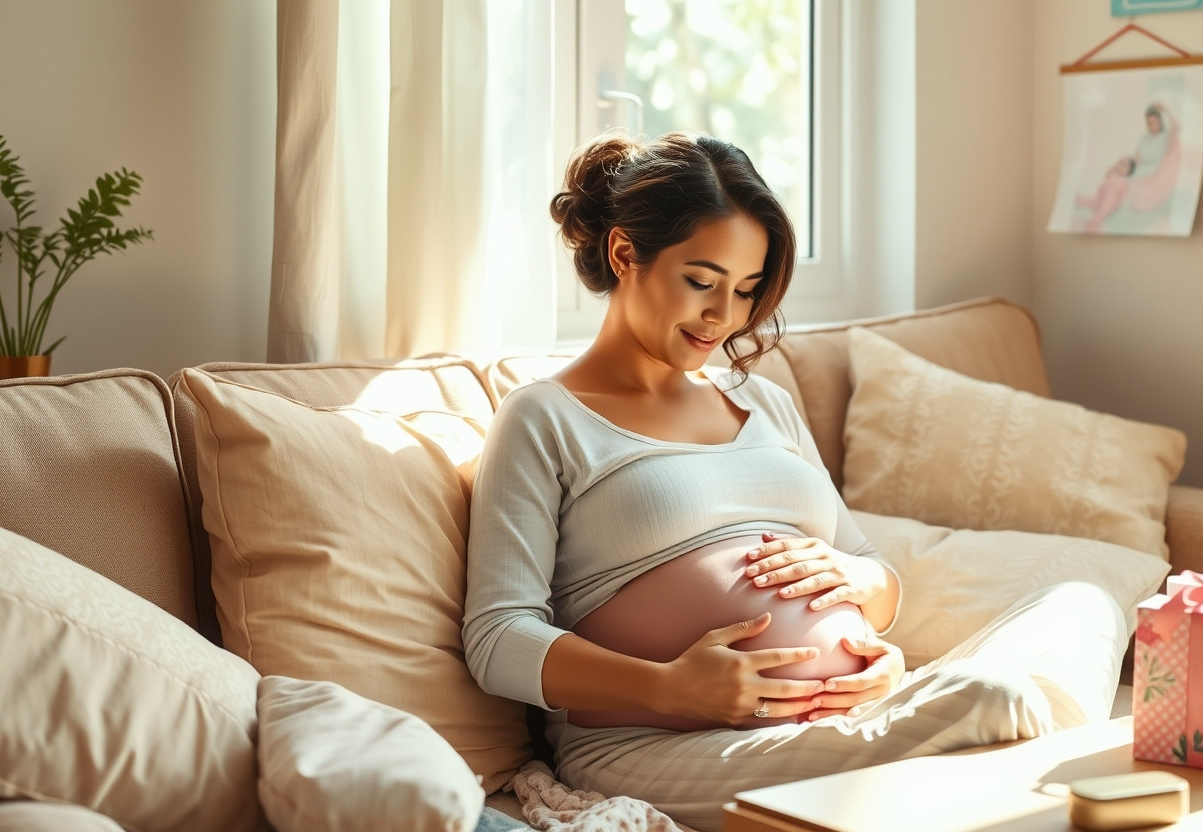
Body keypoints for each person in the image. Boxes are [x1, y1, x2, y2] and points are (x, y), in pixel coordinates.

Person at [462, 131, 1128, 831]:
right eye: (702, 282)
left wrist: (876, 640)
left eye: (746, 291)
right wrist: (669, 688)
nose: (725, 317)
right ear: (625, 253)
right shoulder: (544, 417)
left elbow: (871, 573)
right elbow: (498, 636)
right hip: (655, 741)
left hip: (843, 715)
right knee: (995, 699)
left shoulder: (766, 403)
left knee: (1081, 607)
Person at [1126, 101, 1182, 214]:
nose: (1152, 125)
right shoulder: (1144, 138)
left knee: (1135, 179)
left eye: (1154, 121)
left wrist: (1165, 109)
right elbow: (1137, 157)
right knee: (1124, 176)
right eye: (1149, 122)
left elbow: (1177, 125)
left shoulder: (1166, 135)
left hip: (1159, 168)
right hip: (1143, 166)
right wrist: (1127, 164)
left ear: (1160, 121)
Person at [1075, 155, 1137, 232]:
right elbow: (1108, 176)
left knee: (1091, 225)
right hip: (1100, 203)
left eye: (1123, 164)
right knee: (1078, 200)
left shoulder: (1117, 181)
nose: (1118, 165)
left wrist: (1097, 219)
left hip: (1103, 207)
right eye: (1119, 162)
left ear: (1128, 170)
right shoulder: (1119, 179)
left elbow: (1107, 202)